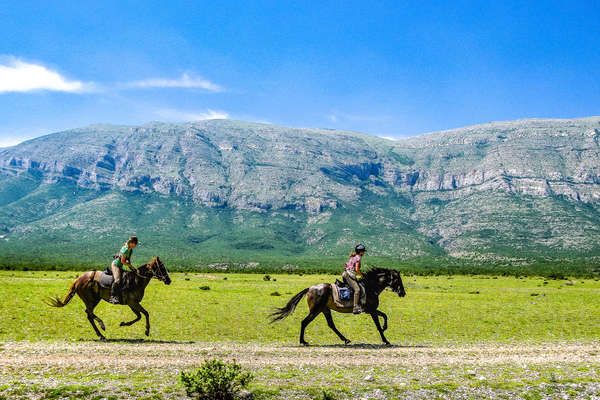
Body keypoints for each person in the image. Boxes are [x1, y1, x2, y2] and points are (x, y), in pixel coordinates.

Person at [108, 236, 138, 304]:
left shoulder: (130, 250)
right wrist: (130, 265)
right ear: (131, 243)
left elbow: (128, 260)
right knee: (118, 280)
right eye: (135, 244)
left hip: (120, 266)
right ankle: (112, 297)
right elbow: (122, 261)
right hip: (116, 265)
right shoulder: (126, 250)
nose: (136, 245)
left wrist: (132, 268)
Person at [343, 244, 366, 314]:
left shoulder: (354, 256)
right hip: (349, 275)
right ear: (361, 252)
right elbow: (357, 269)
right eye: (363, 251)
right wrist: (362, 275)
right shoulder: (358, 258)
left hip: (347, 274)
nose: (364, 253)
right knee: (357, 290)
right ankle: (355, 307)